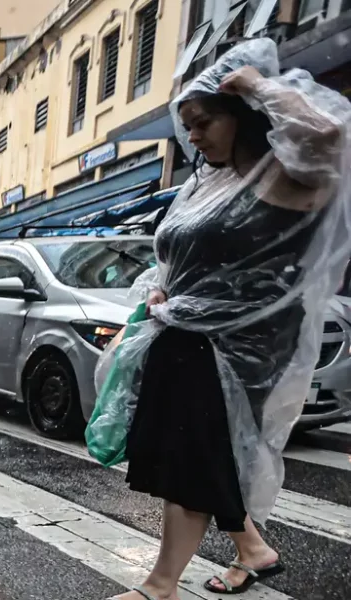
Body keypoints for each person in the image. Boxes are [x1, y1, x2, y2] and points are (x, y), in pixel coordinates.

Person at [101, 40, 351, 600]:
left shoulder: (285, 175)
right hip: (182, 335)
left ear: (241, 115)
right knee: (197, 454)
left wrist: (257, 85)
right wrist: (162, 285)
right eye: (186, 125)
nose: (192, 135)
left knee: (193, 457)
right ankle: (252, 549)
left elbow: (329, 138)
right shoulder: (208, 181)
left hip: (237, 346)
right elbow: (173, 252)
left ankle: (160, 586)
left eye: (203, 121)